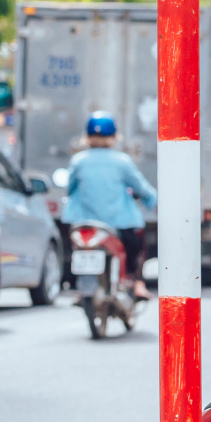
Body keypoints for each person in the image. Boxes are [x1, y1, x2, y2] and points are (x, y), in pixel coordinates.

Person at [62, 112, 157, 300]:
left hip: (84, 223)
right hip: (119, 223)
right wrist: (152, 201)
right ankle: (137, 283)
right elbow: (142, 189)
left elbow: (69, 189)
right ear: (114, 136)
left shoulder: (78, 161)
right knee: (137, 245)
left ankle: (81, 288)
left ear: (87, 136)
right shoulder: (121, 161)